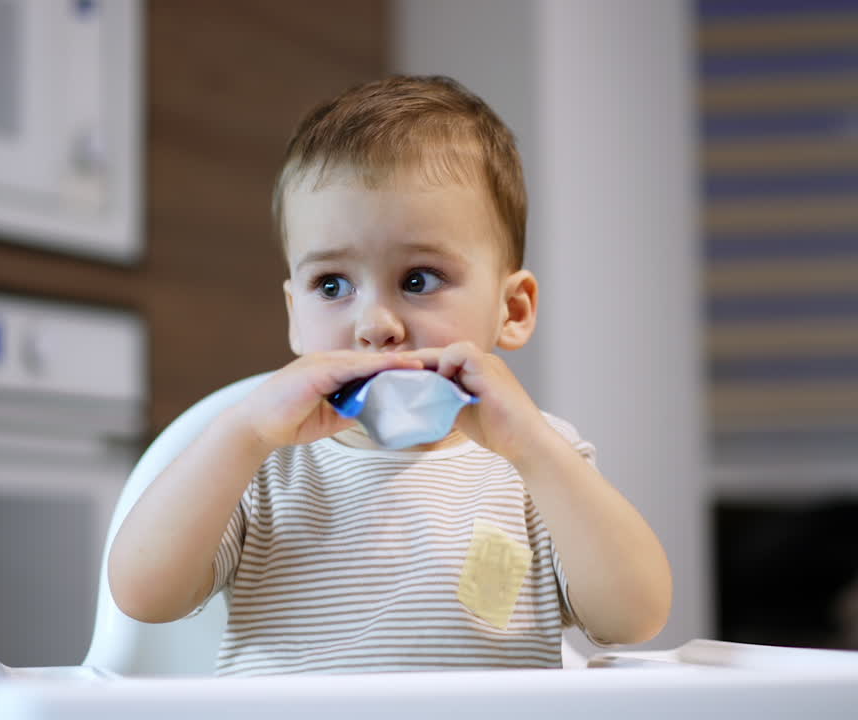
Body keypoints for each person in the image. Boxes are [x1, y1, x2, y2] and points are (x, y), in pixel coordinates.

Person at [108, 75, 672, 676]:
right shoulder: (264, 466)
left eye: (418, 279)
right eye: (332, 285)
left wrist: (534, 448)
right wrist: (241, 435)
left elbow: (633, 619)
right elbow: (144, 596)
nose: (375, 324)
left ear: (512, 310)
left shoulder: (533, 462)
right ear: (295, 317)